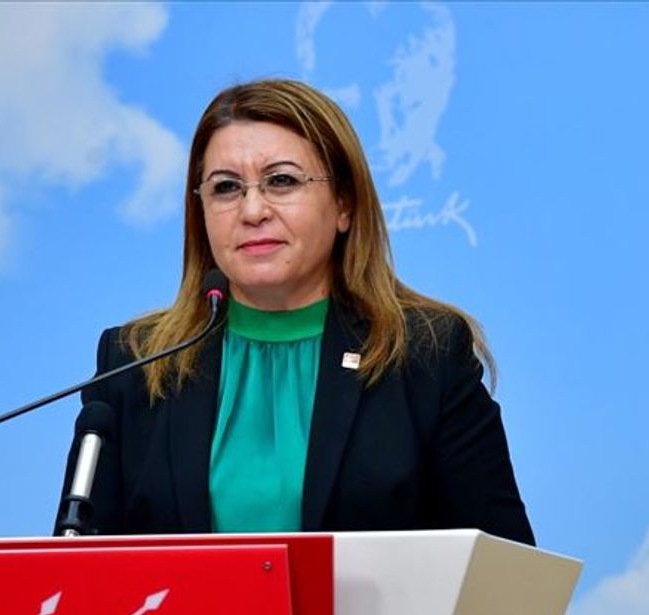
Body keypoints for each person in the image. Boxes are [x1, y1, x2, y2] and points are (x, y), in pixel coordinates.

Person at [60, 79, 534, 545]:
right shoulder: (137, 362)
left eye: (282, 181)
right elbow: (75, 575)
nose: (252, 210)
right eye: (226, 187)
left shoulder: (425, 355)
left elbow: (506, 574)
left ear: (344, 203)